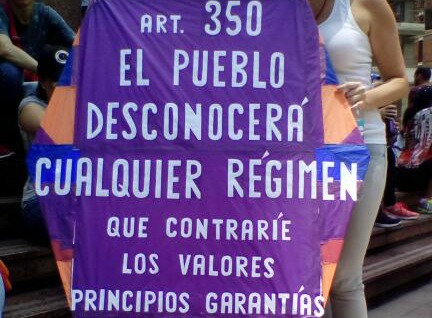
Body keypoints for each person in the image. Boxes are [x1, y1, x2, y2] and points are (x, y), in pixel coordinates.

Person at [310, 1, 409, 317]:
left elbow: (398, 79)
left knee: (343, 278)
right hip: (295, 155)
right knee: (304, 274)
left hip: (354, 147)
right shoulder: (278, 9)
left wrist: (367, 97)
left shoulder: (365, 5)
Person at [0, 0, 74, 155]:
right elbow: (4, 48)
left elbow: (80, 44)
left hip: (40, 84)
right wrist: (43, 70)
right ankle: (6, 139)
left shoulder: (45, 13)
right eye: (55, 81)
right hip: (13, 86)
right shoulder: (31, 107)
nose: (57, 85)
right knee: (10, 74)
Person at [18, 45, 69, 241]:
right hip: (39, 201)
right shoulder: (30, 107)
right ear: (43, 81)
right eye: (58, 81)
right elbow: (58, 133)